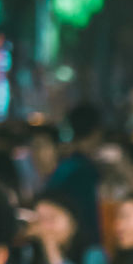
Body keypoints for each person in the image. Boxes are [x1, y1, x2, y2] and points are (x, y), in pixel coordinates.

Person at [43, 102, 103, 246]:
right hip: (80, 245)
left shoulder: (63, 167)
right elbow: (90, 217)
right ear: (96, 132)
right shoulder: (84, 170)